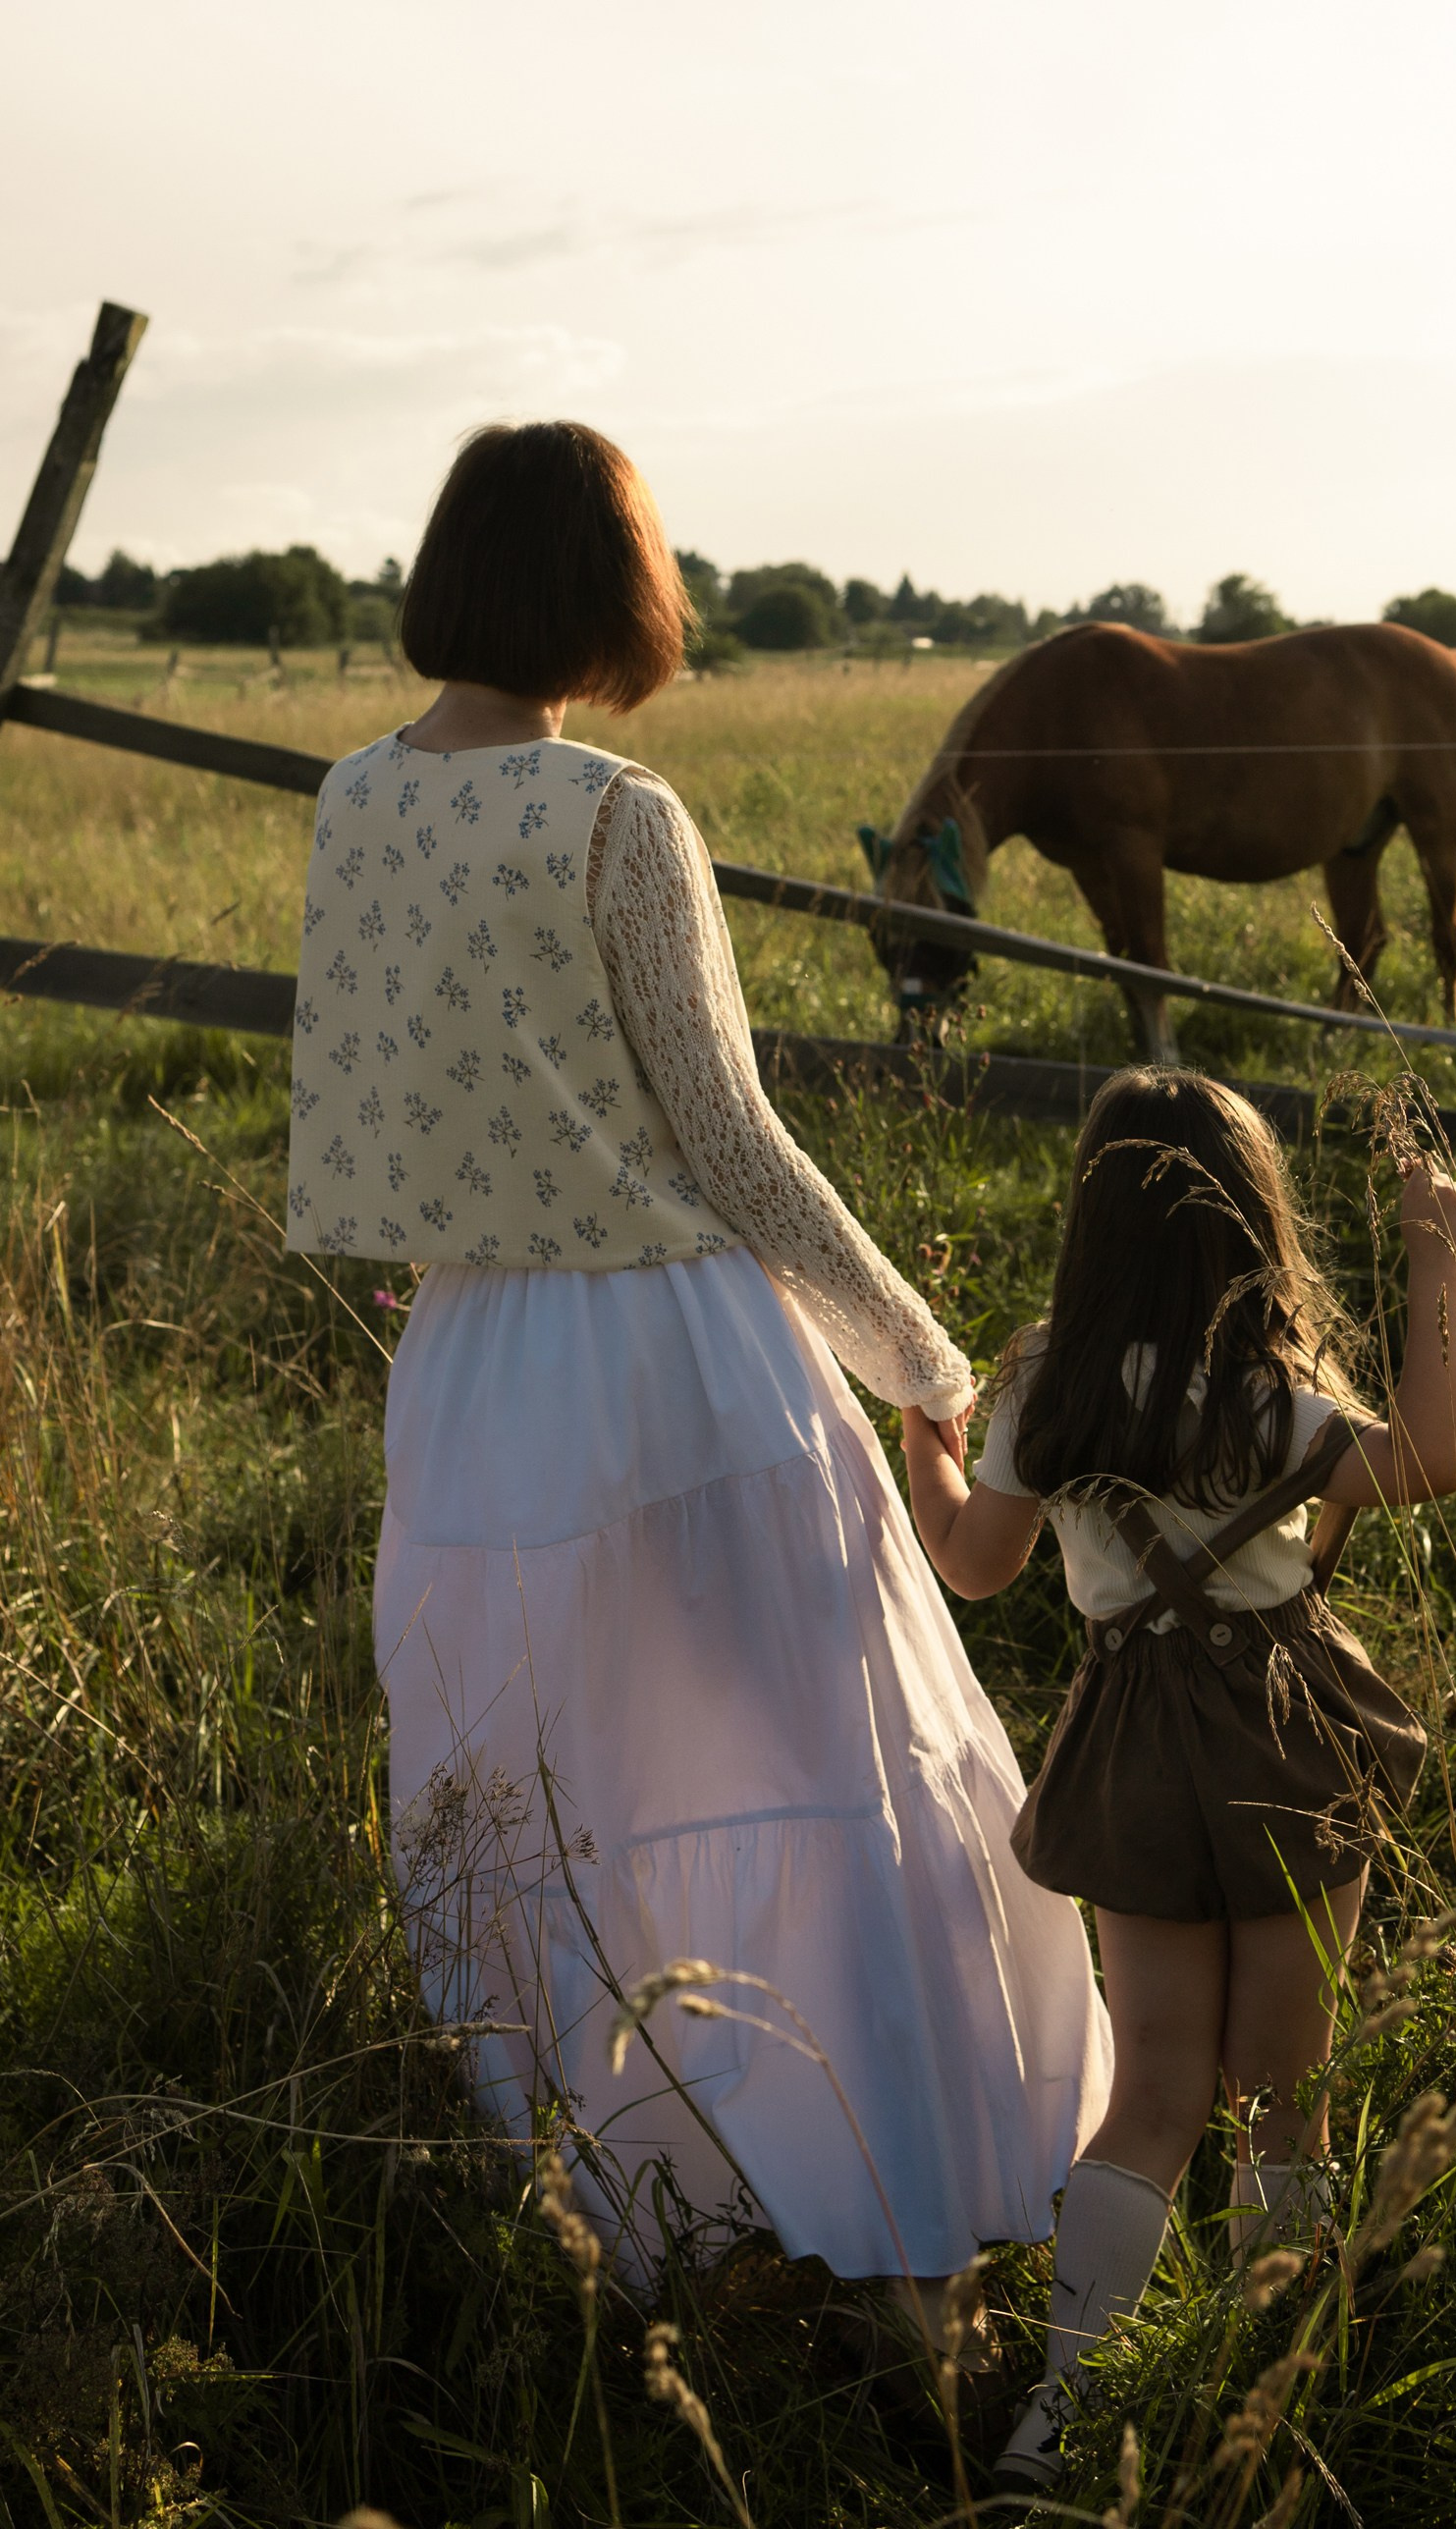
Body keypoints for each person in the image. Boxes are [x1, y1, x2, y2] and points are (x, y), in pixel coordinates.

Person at [287, 421, 1108, 2319]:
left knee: (549, 1794)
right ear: (609, 590)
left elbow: (380, 1112)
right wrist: (914, 1346)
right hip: (675, 1347)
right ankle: (890, 2215)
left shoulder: (352, 801)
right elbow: (732, 1143)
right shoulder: (615, 815)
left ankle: (634, 2215)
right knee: (802, 1756)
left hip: (473, 1363)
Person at [902, 1066, 1456, 2494]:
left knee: (1154, 2090)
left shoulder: (1049, 1387)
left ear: (1091, 1228)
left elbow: (975, 1566)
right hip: (1288, 1729)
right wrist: (1437, 1261)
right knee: (1287, 2091)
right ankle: (1255, 2397)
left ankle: (1061, 2411)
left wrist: (929, 1440)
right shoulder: (1272, 1402)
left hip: (1138, 1746)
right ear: (1254, 1227)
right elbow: (1433, 1463)